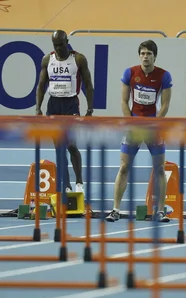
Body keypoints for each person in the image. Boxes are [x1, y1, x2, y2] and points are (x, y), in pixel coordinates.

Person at [106, 40, 172, 223]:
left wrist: (155, 124)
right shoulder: (130, 73)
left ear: (154, 56)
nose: (145, 57)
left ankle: (160, 211)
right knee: (124, 167)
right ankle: (115, 209)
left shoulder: (164, 76)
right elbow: (123, 101)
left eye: (149, 54)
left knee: (160, 169)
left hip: (153, 127)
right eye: (142, 53)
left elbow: (165, 105)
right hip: (134, 126)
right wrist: (130, 122)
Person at [35, 30, 94, 193]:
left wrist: (90, 109)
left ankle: (79, 183)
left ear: (67, 41)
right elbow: (41, 86)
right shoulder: (47, 60)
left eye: (61, 44)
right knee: (59, 147)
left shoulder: (78, 59)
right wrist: (38, 108)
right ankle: (66, 186)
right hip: (53, 104)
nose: (59, 48)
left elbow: (88, 85)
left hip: (70, 105)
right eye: (56, 45)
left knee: (71, 145)